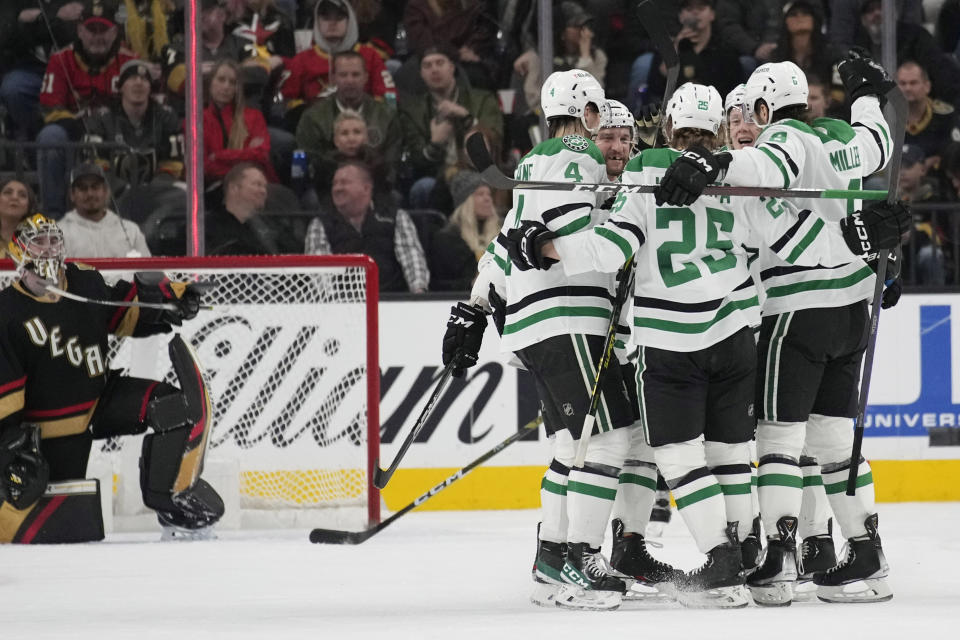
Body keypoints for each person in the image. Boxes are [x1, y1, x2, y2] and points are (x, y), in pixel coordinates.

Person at [505, 81, 907, 608]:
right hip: (736, 335)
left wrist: (545, 246)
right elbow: (799, 241)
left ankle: (719, 561)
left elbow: (607, 249)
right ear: (720, 128)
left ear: (667, 128)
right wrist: (867, 249)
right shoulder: (742, 176)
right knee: (738, 454)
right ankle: (755, 558)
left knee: (678, 457)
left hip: (668, 343)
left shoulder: (648, 172)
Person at [655, 55, 903, 604]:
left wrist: (710, 165)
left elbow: (763, 172)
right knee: (836, 440)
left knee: (778, 441)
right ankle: (865, 554)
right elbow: (877, 140)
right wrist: (865, 92)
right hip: (849, 309)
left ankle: (780, 561)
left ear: (766, 108)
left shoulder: (782, 143)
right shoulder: (840, 145)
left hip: (796, 312)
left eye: (753, 112)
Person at [442, 69, 639, 611]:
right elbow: (562, 238)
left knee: (569, 445)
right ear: (591, 113)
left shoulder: (535, 164)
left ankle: (552, 558)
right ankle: (580, 557)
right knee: (608, 440)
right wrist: (628, 210)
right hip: (568, 314)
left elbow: (507, 243)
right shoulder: (577, 158)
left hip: (532, 323)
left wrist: (475, 308)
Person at [0, 214, 223, 542]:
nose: (48, 249)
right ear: (19, 251)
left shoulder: (83, 280)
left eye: (53, 240)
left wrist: (170, 302)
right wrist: (8, 447)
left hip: (99, 400)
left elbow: (124, 311)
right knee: (60, 530)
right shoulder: (7, 311)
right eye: (38, 242)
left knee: (174, 407)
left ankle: (174, 508)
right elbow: (7, 393)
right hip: (48, 429)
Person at [36, 0, 139, 217]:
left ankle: (127, 214)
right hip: (73, 133)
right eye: (91, 29)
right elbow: (49, 109)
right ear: (80, 31)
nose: (97, 36)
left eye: (104, 30)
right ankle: (53, 216)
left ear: (115, 32)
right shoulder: (60, 59)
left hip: (115, 136)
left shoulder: (131, 62)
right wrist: (85, 129)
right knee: (50, 136)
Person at [398, 45, 502, 208]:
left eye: (440, 63)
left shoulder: (482, 99)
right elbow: (417, 160)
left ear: (452, 67)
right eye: (427, 66)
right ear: (421, 74)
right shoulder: (413, 110)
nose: (434, 70)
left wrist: (466, 117)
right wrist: (435, 143)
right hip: (437, 177)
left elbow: (496, 139)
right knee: (423, 187)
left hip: (478, 170)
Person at [305, 161, 429, 293]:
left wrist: (418, 294)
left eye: (344, 182)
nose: (337, 188)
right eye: (335, 184)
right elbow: (319, 272)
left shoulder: (396, 217)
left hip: (392, 300)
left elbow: (412, 258)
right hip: (343, 304)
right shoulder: (320, 224)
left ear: (366, 188)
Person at [280, 0, 395, 130]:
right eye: (325, 18)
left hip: (364, 127)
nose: (332, 23)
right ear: (317, 22)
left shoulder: (370, 56)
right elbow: (288, 102)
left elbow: (388, 98)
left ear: (350, 21)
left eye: (339, 17)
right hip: (315, 128)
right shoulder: (301, 60)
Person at [295, 51, 402, 189]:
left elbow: (392, 164)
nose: (350, 80)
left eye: (355, 75)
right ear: (333, 78)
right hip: (327, 189)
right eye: (343, 75)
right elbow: (311, 165)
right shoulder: (313, 117)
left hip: (376, 187)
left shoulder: (386, 115)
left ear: (366, 77)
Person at [84, 59, 185, 188]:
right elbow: (95, 166)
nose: (138, 83)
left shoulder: (166, 117)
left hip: (157, 191)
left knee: (183, 192)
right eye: (132, 78)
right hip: (111, 192)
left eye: (144, 79)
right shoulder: (101, 118)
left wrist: (151, 188)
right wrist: (122, 187)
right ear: (121, 87)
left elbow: (173, 165)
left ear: (150, 88)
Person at [645, 0, 742, 105]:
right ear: (680, 16)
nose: (695, 13)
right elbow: (654, 90)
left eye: (701, 8)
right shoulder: (667, 49)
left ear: (712, 14)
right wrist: (674, 51)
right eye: (689, 9)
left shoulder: (725, 51)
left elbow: (734, 92)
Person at [203, 59, 277, 185]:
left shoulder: (254, 116)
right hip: (216, 186)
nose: (226, 86)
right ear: (210, 84)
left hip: (257, 184)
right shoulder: (198, 120)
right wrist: (245, 155)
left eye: (232, 82)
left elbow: (261, 155)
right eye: (221, 80)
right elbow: (204, 166)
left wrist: (219, 156)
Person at [427, 170, 501, 291]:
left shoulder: (503, 235)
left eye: (489, 194)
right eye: (480, 194)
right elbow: (438, 284)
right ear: (466, 201)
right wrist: (471, 284)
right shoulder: (447, 239)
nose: (487, 199)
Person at [58, 162, 151, 258]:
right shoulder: (59, 234)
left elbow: (148, 271)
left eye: (95, 187)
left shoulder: (131, 231)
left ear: (106, 191)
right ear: (72, 195)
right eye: (83, 188)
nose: (90, 194)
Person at [206, 162, 298, 255]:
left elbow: (295, 250)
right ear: (234, 188)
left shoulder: (270, 225)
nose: (263, 191)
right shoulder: (209, 227)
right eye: (257, 184)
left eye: (264, 187)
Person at [897, 60, 960, 165]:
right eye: (903, 83)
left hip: (936, 177)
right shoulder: (884, 117)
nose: (907, 88)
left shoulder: (946, 117)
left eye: (913, 83)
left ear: (927, 87)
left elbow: (954, 155)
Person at [0, 179, 39, 257]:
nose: (15, 197)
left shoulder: (40, 242)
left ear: (29, 206)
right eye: (8, 193)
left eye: (22, 195)